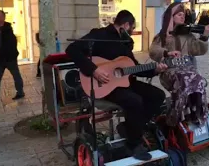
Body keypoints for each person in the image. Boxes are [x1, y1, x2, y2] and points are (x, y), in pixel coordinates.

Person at [66, 10, 167, 160]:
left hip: (125, 83)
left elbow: (135, 68)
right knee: (134, 100)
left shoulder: (125, 43)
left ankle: (131, 128)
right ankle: (134, 143)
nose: (132, 33)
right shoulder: (100, 35)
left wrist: (155, 70)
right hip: (104, 85)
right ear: (126, 25)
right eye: (132, 28)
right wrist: (94, 70)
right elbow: (71, 49)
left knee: (158, 95)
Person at [149, 2, 209, 127]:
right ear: (171, 17)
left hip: (187, 70)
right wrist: (167, 53)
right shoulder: (162, 36)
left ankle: (196, 111)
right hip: (169, 71)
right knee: (183, 79)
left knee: (198, 80)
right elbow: (153, 51)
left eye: (183, 15)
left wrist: (205, 36)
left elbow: (198, 50)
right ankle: (175, 116)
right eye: (179, 15)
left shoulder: (188, 35)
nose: (182, 17)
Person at [0, 10, 25, 101]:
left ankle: (20, 92)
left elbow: (8, 44)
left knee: (16, 75)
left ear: (3, 17)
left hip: (9, 58)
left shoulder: (8, 28)